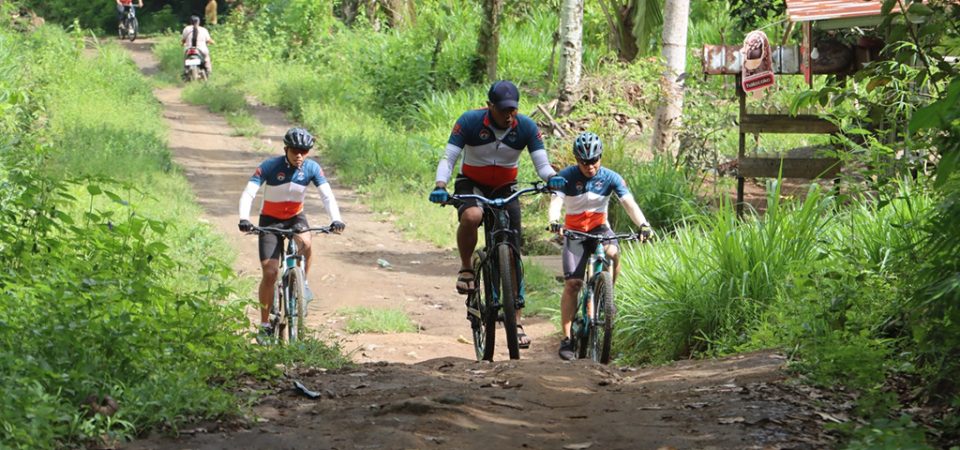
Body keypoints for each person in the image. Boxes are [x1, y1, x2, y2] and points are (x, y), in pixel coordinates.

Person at [429, 80, 566, 349]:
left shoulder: (526, 127)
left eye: (512, 109)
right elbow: (449, 157)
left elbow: (542, 164)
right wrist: (440, 186)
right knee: (471, 217)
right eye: (502, 109)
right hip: (472, 183)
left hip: (505, 188)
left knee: (512, 253)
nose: (508, 114)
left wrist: (553, 178)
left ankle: (516, 320)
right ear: (489, 105)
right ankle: (467, 268)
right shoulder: (469, 122)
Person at [547, 131, 652, 361]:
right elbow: (556, 201)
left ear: (600, 157)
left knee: (613, 252)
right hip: (574, 232)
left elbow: (628, 203)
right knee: (573, 284)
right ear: (577, 160)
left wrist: (644, 224)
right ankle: (566, 340)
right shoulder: (566, 176)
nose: (590, 166)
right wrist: (554, 221)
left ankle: (607, 296)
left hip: (599, 228)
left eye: (594, 160)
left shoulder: (611, 177)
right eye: (584, 162)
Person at [238, 127, 346, 343]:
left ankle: (302, 283)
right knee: (270, 272)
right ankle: (265, 324)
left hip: (296, 217)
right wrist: (244, 219)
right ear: (286, 148)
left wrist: (336, 219)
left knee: (306, 241)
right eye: (295, 150)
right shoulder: (270, 166)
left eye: (304, 151)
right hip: (270, 219)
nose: (299, 155)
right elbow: (250, 192)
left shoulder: (312, 168)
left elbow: (327, 196)